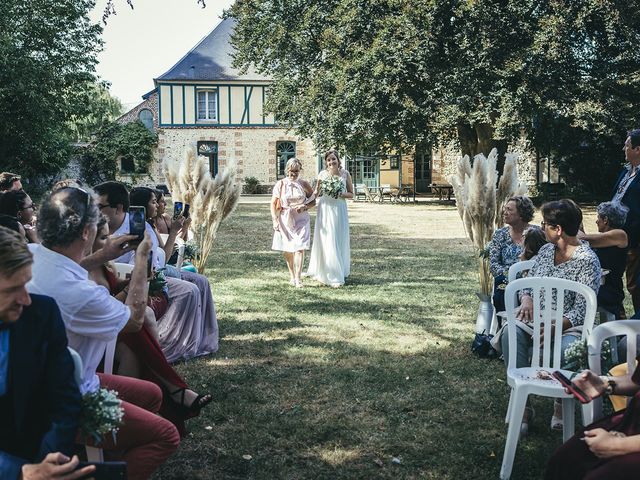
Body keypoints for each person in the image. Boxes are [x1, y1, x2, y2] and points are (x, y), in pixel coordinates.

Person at [27, 187, 180, 480]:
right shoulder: (82, 294)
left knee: (151, 394)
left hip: (48, 377)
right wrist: (140, 262)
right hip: (66, 397)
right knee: (165, 436)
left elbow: (66, 270)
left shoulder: (32, 256)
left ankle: (110, 460)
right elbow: (135, 320)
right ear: (87, 231)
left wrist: (103, 255)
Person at [88, 216, 212, 436]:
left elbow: (113, 296)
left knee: (133, 345)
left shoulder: (102, 264)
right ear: (87, 239)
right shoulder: (84, 271)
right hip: (94, 337)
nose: (111, 241)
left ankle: (139, 410)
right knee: (139, 325)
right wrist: (138, 276)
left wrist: (132, 281)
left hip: (115, 332)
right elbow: (109, 308)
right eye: (105, 237)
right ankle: (174, 392)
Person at [0, 226, 95, 480]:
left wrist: (47, 464)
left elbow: (64, 400)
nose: (26, 299)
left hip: (37, 452)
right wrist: (18, 473)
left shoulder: (41, 315)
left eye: (26, 285)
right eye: (12, 290)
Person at [501, 199, 601, 430]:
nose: (540, 226)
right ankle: (522, 403)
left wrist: (560, 324)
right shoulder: (546, 251)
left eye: (545, 223)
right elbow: (528, 282)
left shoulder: (587, 261)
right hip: (535, 318)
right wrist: (526, 297)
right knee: (510, 332)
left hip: (570, 324)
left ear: (558, 229)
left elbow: (584, 307)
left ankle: (560, 402)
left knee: (566, 348)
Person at [95, 181, 218, 362]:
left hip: (145, 276)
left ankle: (201, 338)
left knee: (199, 281)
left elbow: (152, 264)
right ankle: (172, 345)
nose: (95, 211)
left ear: (118, 207)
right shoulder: (95, 228)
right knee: (189, 289)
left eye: (99, 206)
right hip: (119, 284)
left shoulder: (140, 226)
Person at [545, 364, 640, 479]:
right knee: (565, 458)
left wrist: (618, 445)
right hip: (632, 418)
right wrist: (604, 384)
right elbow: (637, 381)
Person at [306, 149, 353, 287]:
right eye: (328, 160)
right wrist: (305, 201)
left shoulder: (345, 174)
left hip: (339, 209)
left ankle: (339, 270)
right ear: (326, 162)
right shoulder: (322, 174)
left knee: (338, 238)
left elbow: (351, 194)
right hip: (325, 209)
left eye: (333, 159)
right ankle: (326, 271)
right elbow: (316, 192)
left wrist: (340, 193)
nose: (331, 162)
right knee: (327, 239)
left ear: (338, 160)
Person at [579, 201, 629, 319]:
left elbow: (584, 239)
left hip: (610, 290)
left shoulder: (620, 234)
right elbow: (586, 245)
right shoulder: (606, 238)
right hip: (599, 286)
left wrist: (575, 225)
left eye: (598, 218)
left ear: (605, 219)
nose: (596, 221)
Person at [271, 158, 315, 287]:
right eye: (291, 171)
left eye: (296, 171)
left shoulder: (304, 184)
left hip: (302, 218)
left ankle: (298, 278)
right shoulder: (281, 184)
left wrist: (305, 207)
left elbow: (313, 201)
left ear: (300, 170)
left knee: (300, 247)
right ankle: (291, 275)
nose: (293, 174)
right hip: (285, 219)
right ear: (287, 170)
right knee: (288, 249)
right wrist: (275, 220)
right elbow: (273, 203)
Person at [489, 196, 535, 312]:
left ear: (521, 214)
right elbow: (493, 264)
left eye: (509, 210)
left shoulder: (536, 234)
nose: (505, 212)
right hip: (506, 280)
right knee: (501, 293)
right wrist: (511, 277)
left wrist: (523, 278)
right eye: (505, 209)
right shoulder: (500, 234)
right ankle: (506, 326)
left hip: (531, 280)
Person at [613, 129, 640, 312]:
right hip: (613, 236)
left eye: (627, 145)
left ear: (638, 149)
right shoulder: (625, 172)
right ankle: (618, 315)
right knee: (613, 279)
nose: (624, 148)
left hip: (633, 238)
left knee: (634, 283)